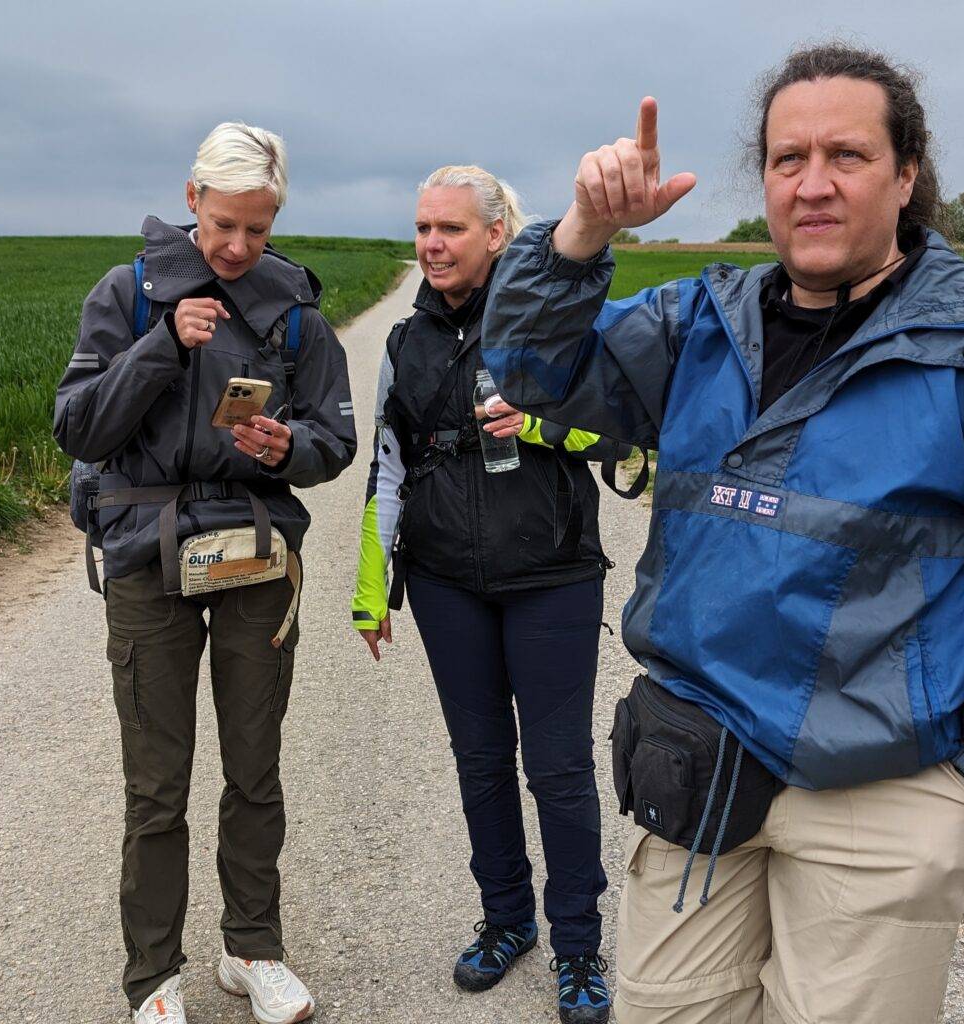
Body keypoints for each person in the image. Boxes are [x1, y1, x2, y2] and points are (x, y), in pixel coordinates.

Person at [482, 44, 964, 1024]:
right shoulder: (698, 323)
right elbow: (528, 373)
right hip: (697, 763)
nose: (811, 185)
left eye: (845, 157)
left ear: (906, 175)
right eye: (785, 159)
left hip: (886, 785)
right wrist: (584, 232)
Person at [54, 122, 356, 1024]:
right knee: (157, 783)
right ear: (192, 201)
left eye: (257, 230)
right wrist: (164, 349)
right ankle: (153, 980)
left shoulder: (295, 309)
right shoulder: (130, 296)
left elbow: (333, 438)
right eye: (224, 224)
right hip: (148, 558)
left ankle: (252, 949)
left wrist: (285, 446)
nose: (237, 247)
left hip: (256, 555)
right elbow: (78, 428)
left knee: (254, 768)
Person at [352, 165, 636, 1024]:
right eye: (423, 228)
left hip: (550, 576)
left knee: (558, 770)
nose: (431, 245)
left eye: (449, 229)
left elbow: (621, 433)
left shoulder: (551, 328)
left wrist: (542, 423)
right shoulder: (405, 344)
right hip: (446, 583)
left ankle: (579, 948)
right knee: (480, 764)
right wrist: (374, 593)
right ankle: (507, 920)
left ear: (495, 236)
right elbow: (387, 466)